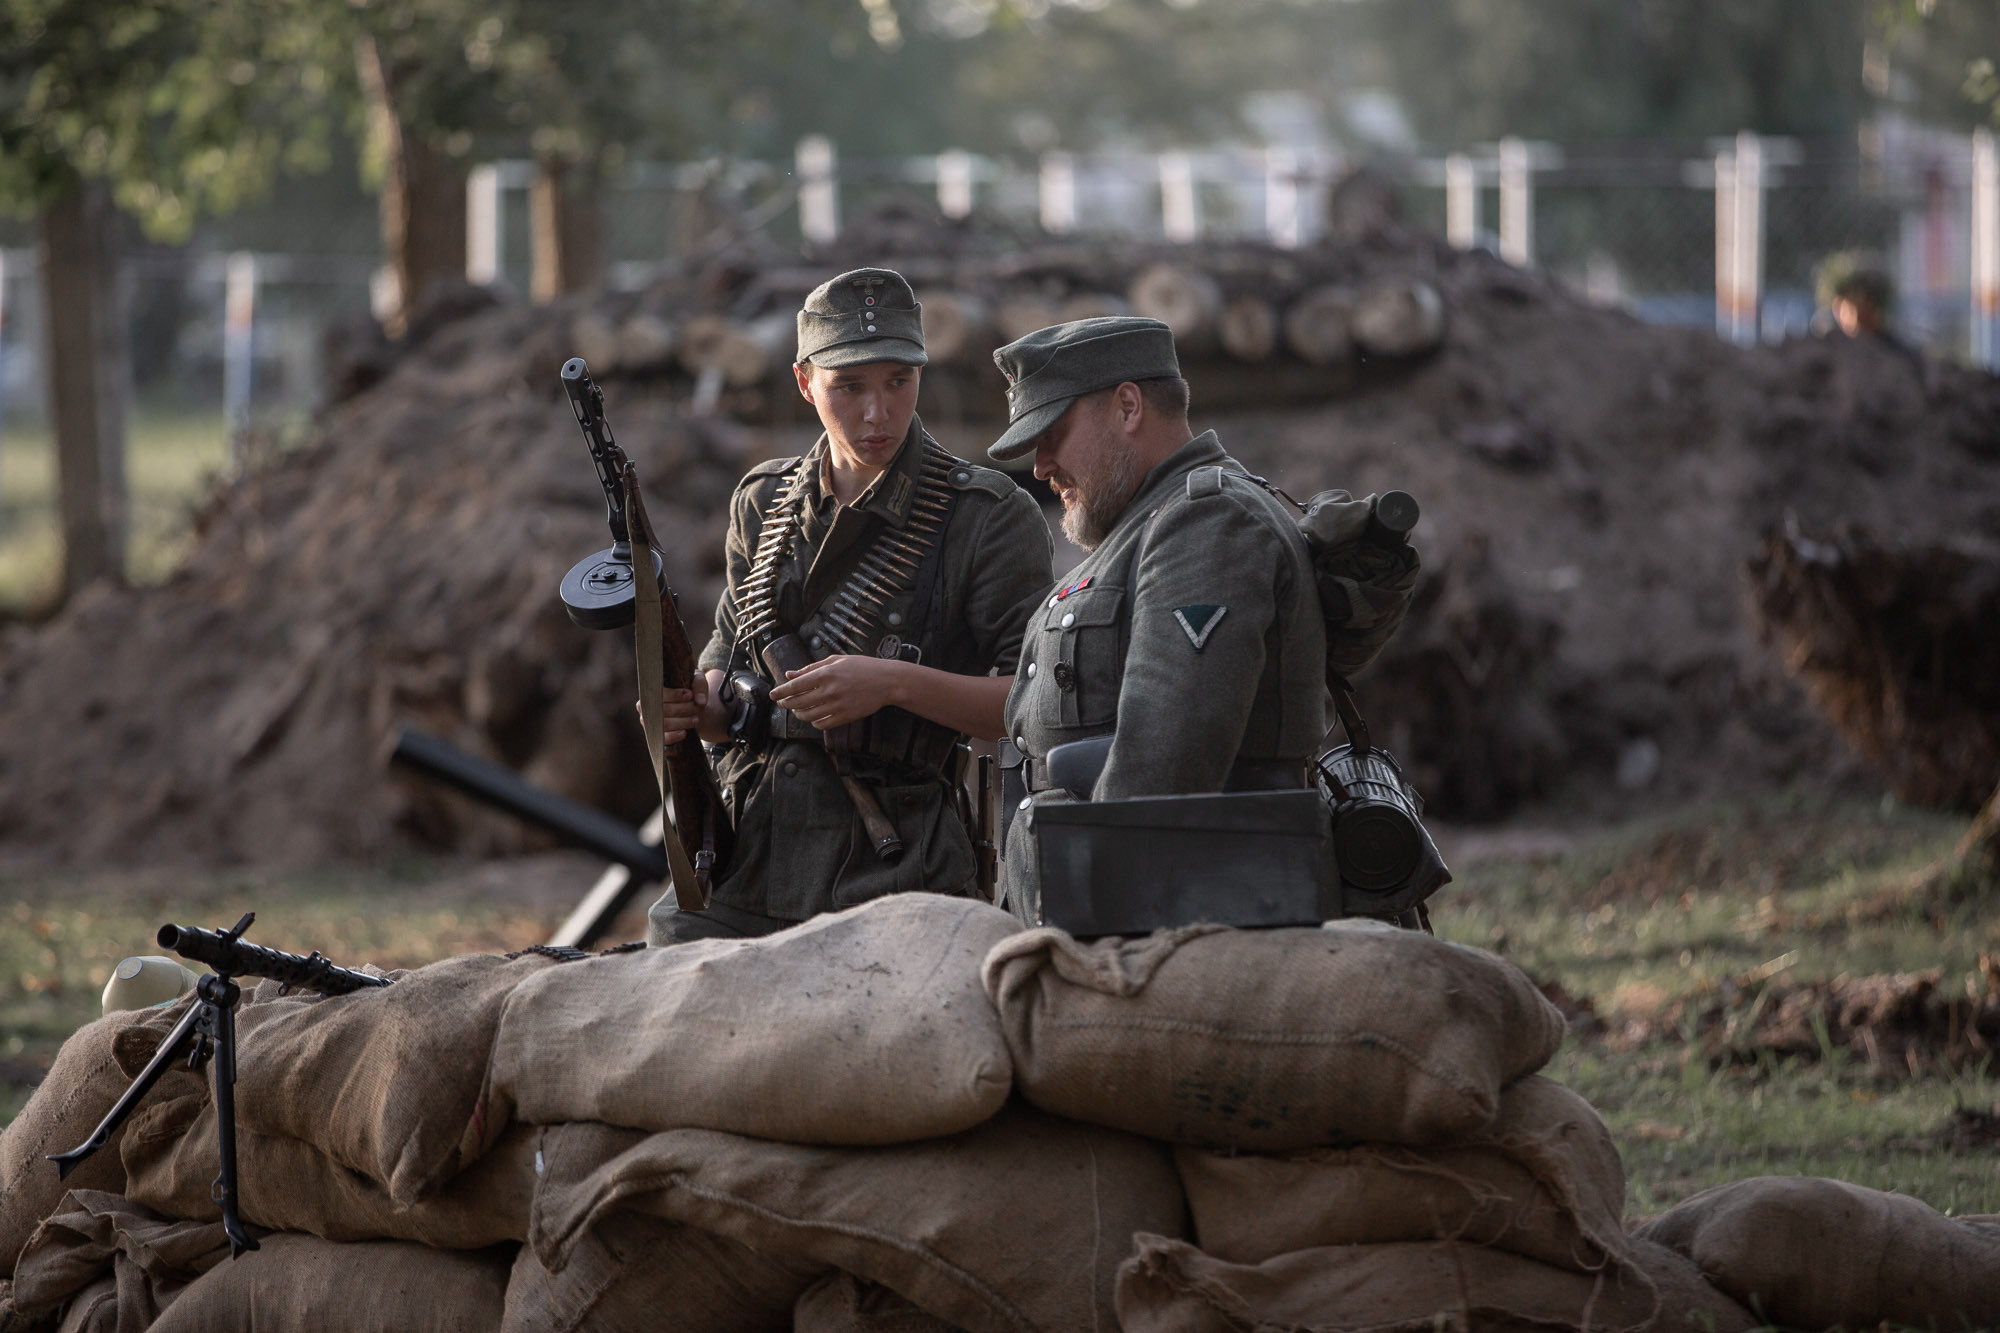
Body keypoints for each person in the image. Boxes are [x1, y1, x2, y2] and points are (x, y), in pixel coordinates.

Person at [648, 267, 1054, 944]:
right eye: (850, 386)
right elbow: (725, 675)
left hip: (897, 858)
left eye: (899, 381)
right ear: (805, 382)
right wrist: (696, 709)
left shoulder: (985, 516)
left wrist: (893, 684)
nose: (878, 412)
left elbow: (1032, 706)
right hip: (746, 852)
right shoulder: (763, 502)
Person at [984, 316, 1327, 924]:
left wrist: (1100, 931)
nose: (1041, 465)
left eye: (1053, 434)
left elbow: (1163, 766)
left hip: (1158, 920)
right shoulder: (1146, 526)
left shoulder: (1207, 523)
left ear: (1128, 407)